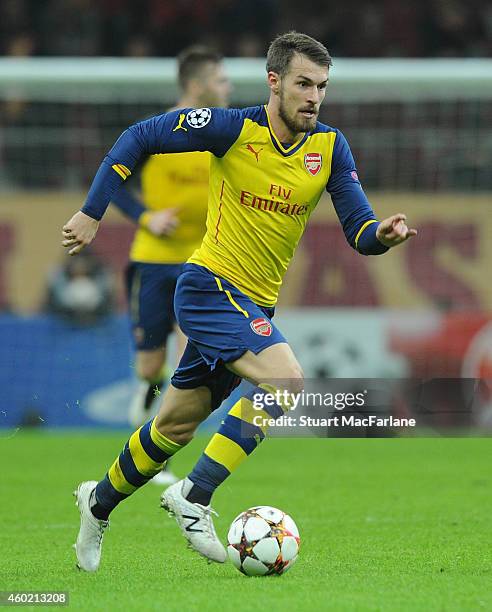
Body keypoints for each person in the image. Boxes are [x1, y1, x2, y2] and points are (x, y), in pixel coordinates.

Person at [62, 31, 417, 572]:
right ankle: (194, 497)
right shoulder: (233, 128)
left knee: (172, 429)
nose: (314, 97)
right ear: (274, 82)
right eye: (303, 83)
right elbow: (138, 136)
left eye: (322, 86)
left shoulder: (329, 148)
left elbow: (359, 229)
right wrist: (93, 211)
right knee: (286, 381)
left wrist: (382, 236)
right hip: (209, 286)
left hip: (254, 305)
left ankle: (97, 503)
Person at [111, 46, 231, 485]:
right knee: (150, 366)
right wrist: (147, 217)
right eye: (221, 80)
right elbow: (115, 181)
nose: (228, 88)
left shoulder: (223, 133)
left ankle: (158, 452)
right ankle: (145, 405)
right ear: (198, 85)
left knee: (191, 357)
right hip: (154, 261)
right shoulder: (158, 133)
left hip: (202, 263)